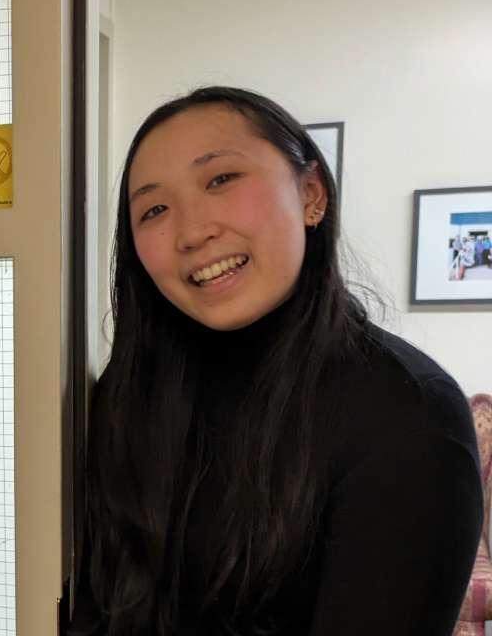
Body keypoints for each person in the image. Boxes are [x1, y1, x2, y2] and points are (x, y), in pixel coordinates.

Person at [69, 87, 481, 635]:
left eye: (221, 179)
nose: (192, 232)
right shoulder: (132, 393)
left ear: (312, 192)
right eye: (155, 209)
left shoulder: (409, 414)